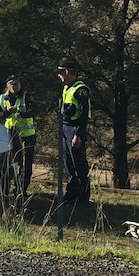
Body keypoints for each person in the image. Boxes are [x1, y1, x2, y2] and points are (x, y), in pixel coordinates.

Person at [0, 75, 37, 201]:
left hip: (26, 135)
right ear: (8, 86)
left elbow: (35, 110)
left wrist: (22, 114)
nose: (15, 86)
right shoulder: (3, 98)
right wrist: (7, 111)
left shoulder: (26, 96)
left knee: (25, 164)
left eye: (17, 84)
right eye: (13, 84)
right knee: (8, 162)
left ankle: (21, 190)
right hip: (9, 135)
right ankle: (5, 188)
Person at [57, 60, 91, 204]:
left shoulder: (81, 89)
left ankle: (83, 196)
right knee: (69, 164)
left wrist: (78, 134)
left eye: (60, 73)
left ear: (67, 72)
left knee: (78, 164)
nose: (59, 76)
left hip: (75, 130)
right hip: (65, 128)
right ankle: (72, 194)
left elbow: (84, 115)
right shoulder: (67, 88)